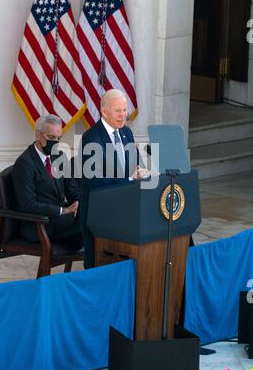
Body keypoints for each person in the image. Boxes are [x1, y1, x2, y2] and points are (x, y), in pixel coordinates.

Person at [79, 89, 149, 269]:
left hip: (123, 216)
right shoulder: (91, 138)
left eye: (125, 110)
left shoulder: (126, 133)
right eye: (118, 110)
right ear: (104, 111)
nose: (123, 115)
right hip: (99, 218)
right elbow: (96, 183)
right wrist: (129, 179)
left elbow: (133, 165)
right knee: (97, 271)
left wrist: (141, 172)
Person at [11, 114, 82, 248]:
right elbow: (29, 205)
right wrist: (62, 210)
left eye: (58, 138)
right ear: (38, 135)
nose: (55, 142)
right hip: (39, 224)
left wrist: (78, 202)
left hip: (59, 220)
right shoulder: (25, 163)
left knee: (94, 218)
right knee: (87, 225)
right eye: (51, 137)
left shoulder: (58, 156)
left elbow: (71, 188)